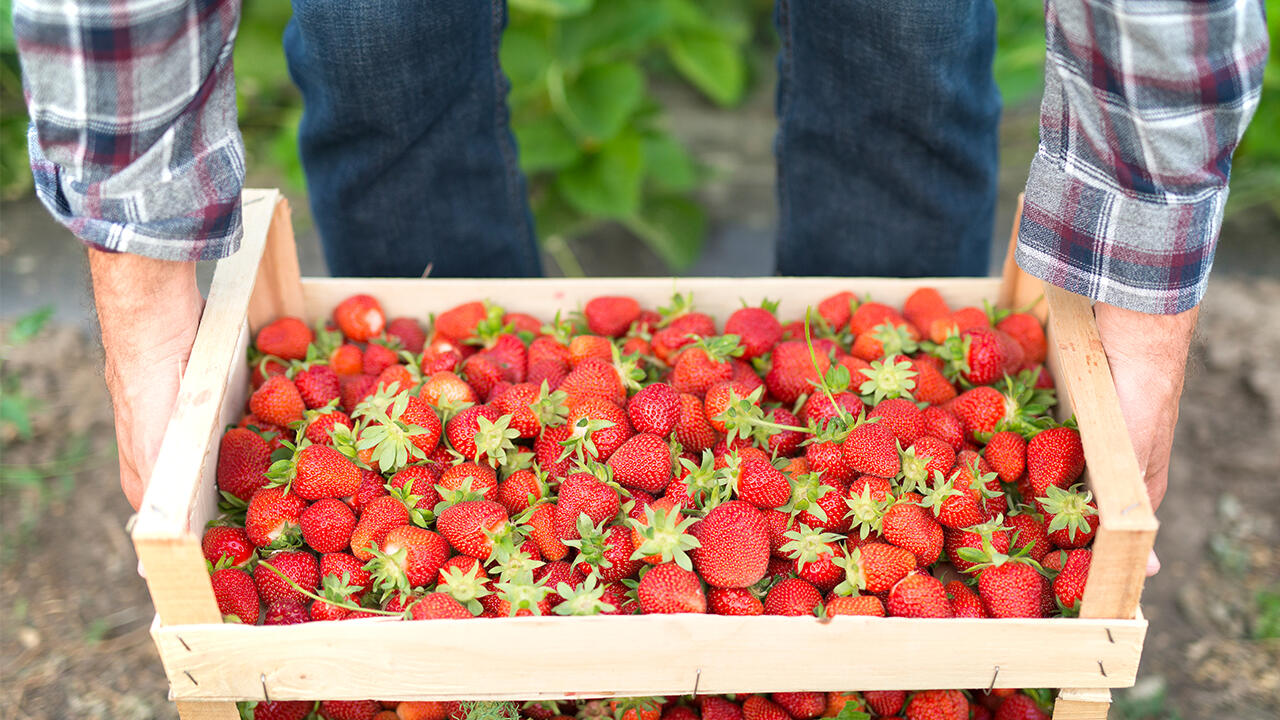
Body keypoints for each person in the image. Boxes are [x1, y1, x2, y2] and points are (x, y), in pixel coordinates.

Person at [13, 1, 1268, 576]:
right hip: (507, 509)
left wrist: (1140, 310)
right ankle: (453, 400)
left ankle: (869, 435)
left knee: (894, 39)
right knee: (380, 40)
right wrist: (140, 301)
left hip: (797, 489)